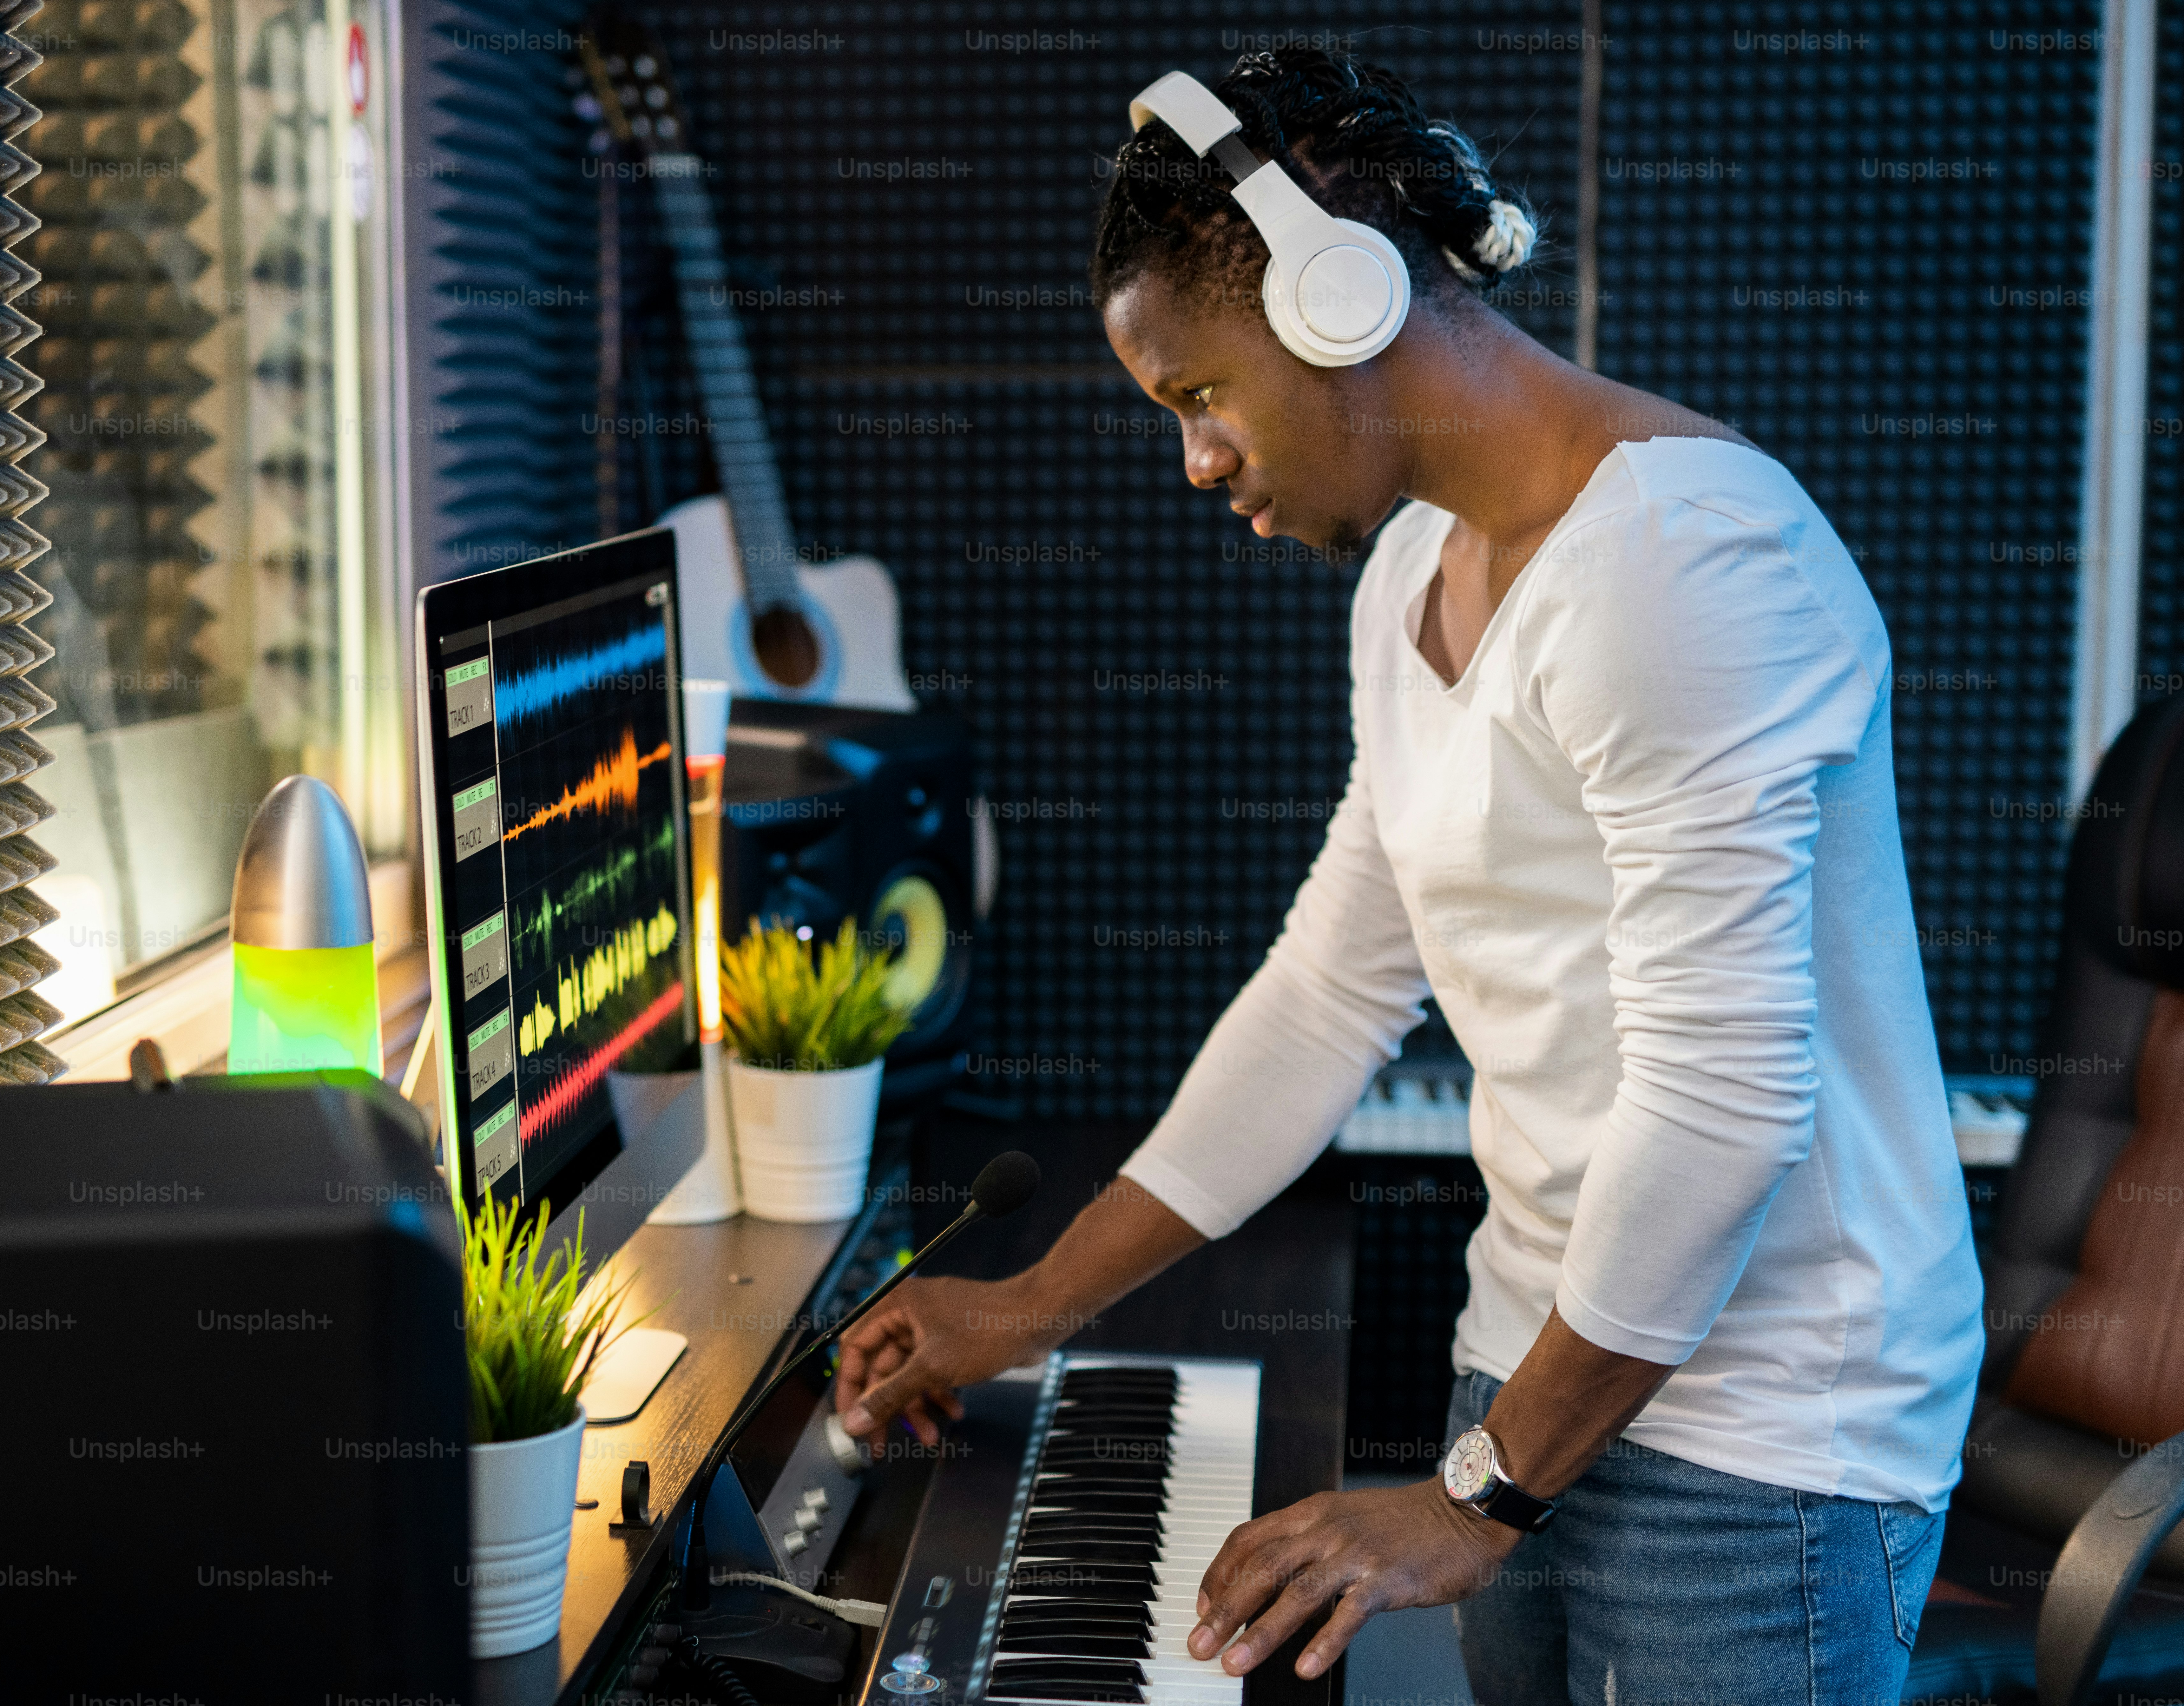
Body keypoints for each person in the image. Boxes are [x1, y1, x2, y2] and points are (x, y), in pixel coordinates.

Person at [831, 46, 1983, 1705]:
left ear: (1338, 301)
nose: (1195, 461)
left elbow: (1726, 1099)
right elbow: (1325, 998)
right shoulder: (1409, 580)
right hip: (1529, 1366)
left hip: (1760, 1439)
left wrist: (1473, 1500)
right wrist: (1027, 1307)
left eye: (1199, 394)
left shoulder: (1679, 565)